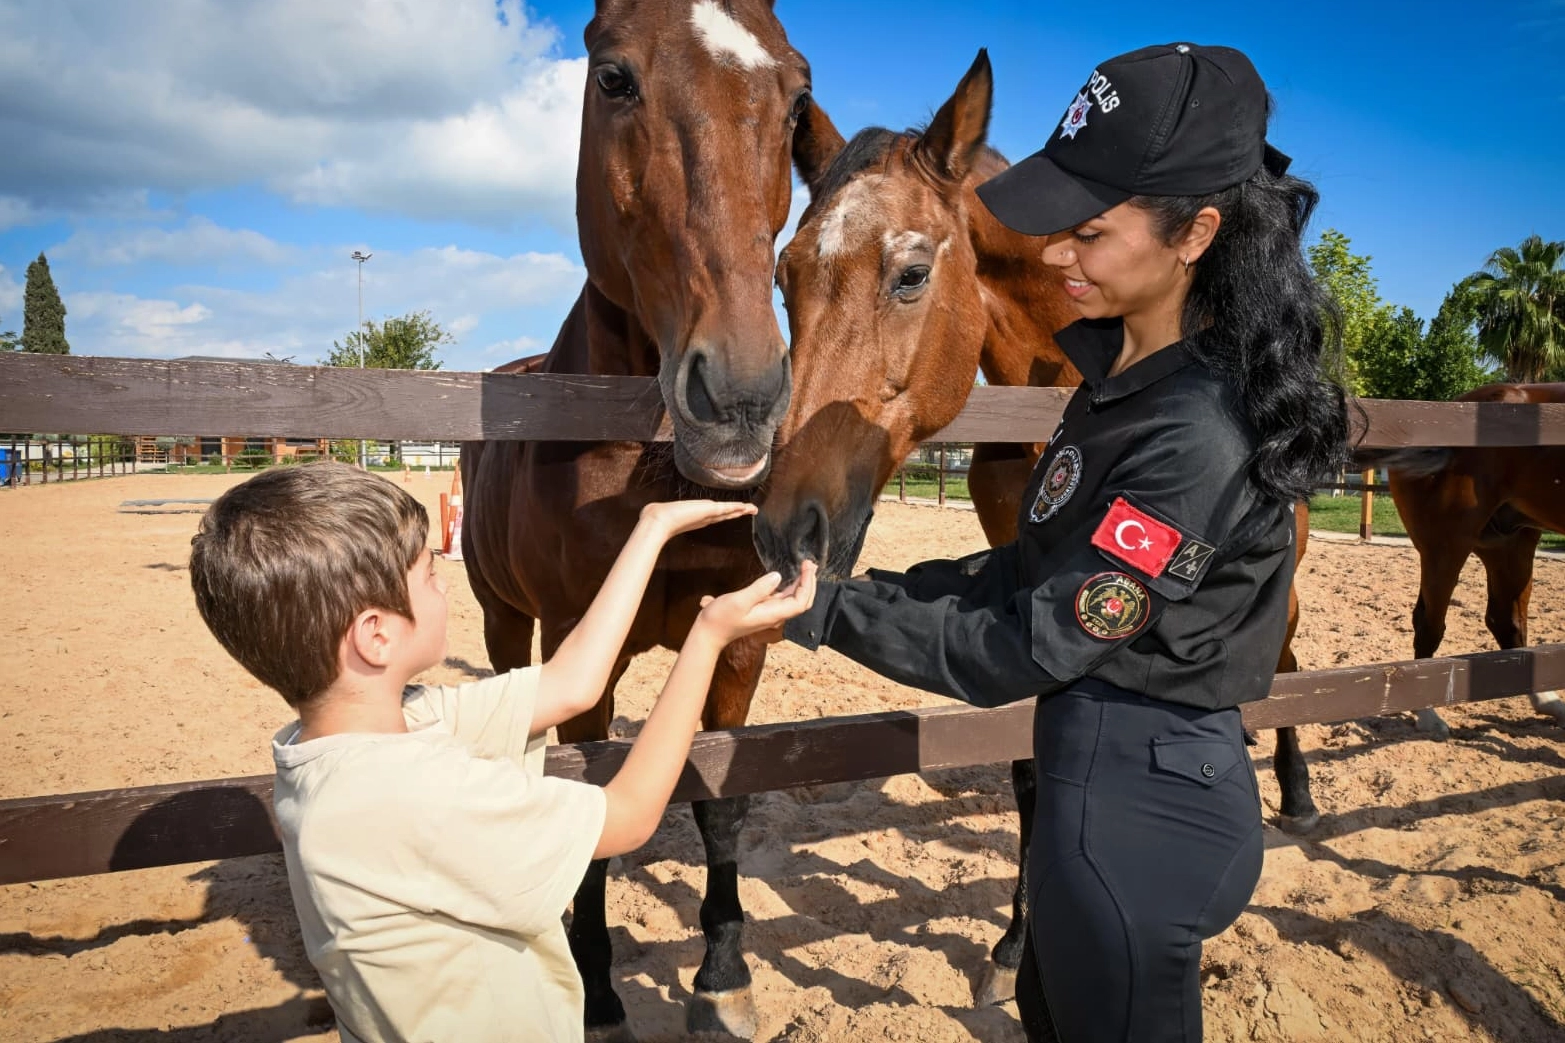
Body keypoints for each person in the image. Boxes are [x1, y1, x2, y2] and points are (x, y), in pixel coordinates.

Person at [783, 43, 1350, 1043]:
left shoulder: (1192, 432)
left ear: (1195, 233)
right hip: (1091, 793)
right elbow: (1027, 568)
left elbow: (1033, 640)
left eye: (1086, 233)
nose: (1053, 257)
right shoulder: (1123, 390)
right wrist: (861, 588)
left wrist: (820, 611)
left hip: (1138, 823)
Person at [188, 462, 816, 1043]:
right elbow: (628, 817)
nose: (446, 586)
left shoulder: (361, 739)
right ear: (375, 635)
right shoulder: (413, 795)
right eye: (429, 574)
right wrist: (706, 639)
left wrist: (650, 530)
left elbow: (571, 684)